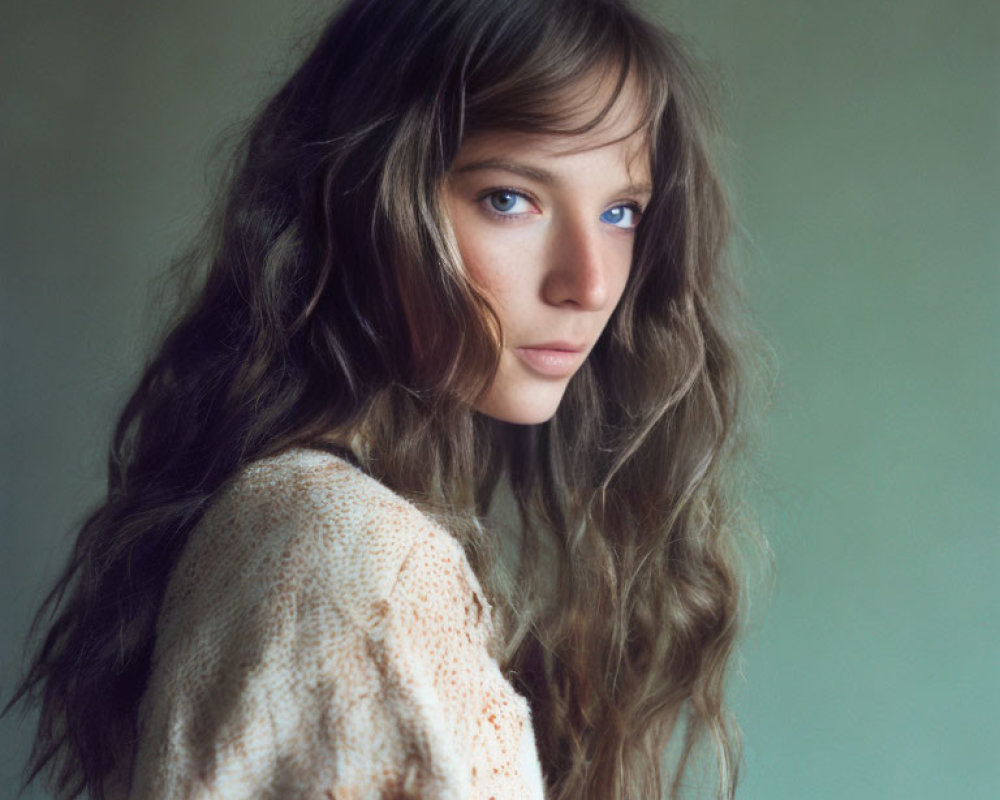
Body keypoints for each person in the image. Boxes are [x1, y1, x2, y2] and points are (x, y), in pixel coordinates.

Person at [9, 0, 758, 797]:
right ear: (363, 199)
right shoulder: (359, 557)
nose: (593, 282)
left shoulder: (298, 519)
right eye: (511, 197)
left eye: (620, 212)